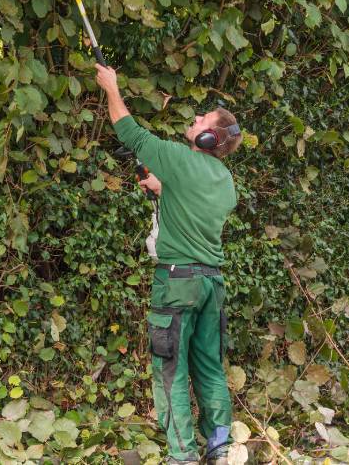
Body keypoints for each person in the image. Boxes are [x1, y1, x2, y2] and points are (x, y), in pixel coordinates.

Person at [95, 64, 242, 465]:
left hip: (176, 283)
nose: (194, 120)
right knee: (210, 368)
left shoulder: (177, 157)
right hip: (212, 284)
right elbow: (193, 195)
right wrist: (165, 187)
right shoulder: (225, 183)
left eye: (201, 121)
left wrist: (112, 87)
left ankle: (182, 457)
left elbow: (129, 131)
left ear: (208, 137)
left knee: (171, 371)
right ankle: (221, 449)